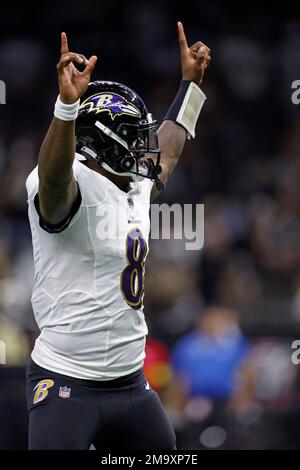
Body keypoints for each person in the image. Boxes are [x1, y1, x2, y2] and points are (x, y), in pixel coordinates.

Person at [25, 22, 211, 450]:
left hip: (130, 381)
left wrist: (191, 87)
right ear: (105, 144)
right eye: (135, 138)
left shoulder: (133, 183)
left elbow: (171, 144)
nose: (146, 148)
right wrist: (66, 108)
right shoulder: (64, 184)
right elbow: (53, 182)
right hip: (66, 380)